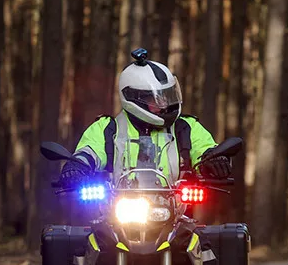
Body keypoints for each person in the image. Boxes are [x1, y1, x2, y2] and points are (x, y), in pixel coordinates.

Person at [59, 49, 232, 187]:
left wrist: (214, 160)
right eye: (155, 99)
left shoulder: (186, 127)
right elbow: (90, 151)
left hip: (175, 211)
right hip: (116, 211)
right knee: (89, 224)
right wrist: (77, 166)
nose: (164, 105)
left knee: (199, 224)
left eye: (167, 96)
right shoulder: (107, 129)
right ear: (133, 97)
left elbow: (204, 148)